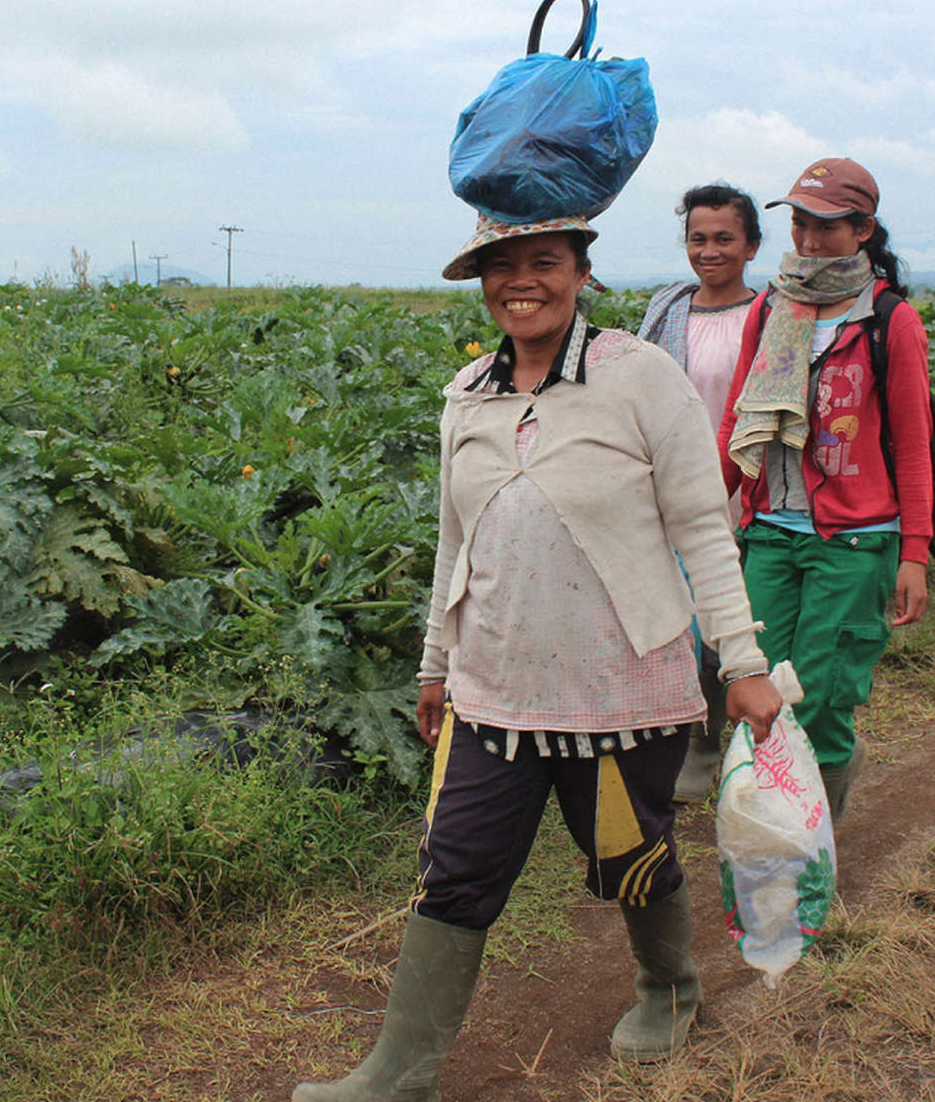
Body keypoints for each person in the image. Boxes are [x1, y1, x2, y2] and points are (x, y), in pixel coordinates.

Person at [293, 213, 780, 1101]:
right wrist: (434, 665)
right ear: (484, 284)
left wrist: (740, 661)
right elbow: (455, 543)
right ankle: (401, 1073)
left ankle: (668, 989)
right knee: (457, 867)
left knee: (626, 854)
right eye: (503, 267)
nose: (523, 282)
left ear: (581, 273)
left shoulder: (640, 377)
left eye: (543, 263)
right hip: (495, 686)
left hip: (619, 687)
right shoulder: (469, 391)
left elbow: (704, 529)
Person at [718, 158, 933, 824]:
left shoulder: (889, 321)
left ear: (863, 228)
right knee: (757, 691)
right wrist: (700, 510)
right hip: (770, 531)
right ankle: (776, 824)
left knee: (818, 697)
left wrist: (915, 554)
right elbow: (739, 413)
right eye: (801, 224)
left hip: (855, 538)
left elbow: (914, 442)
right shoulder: (771, 307)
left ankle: (811, 847)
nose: (809, 241)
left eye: (827, 227)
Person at [635, 183, 761, 804]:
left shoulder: (770, 318)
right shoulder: (669, 311)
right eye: (698, 239)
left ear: (752, 246)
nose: (709, 251)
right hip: (677, 490)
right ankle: (701, 742)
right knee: (687, 627)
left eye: (724, 239)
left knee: (729, 626)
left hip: (749, 491)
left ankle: (736, 741)